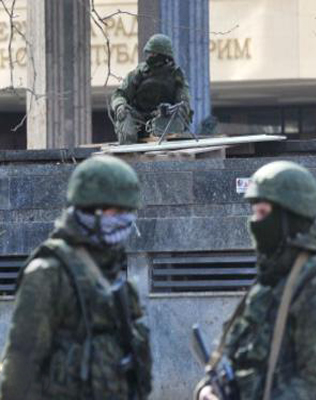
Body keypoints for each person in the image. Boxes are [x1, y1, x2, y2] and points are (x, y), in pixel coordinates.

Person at [194, 161, 316, 400]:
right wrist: (208, 390)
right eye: (254, 213)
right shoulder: (270, 282)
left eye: (263, 214)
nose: (254, 222)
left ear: (289, 218)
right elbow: (243, 364)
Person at [0, 155, 152, 400]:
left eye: (127, 212)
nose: (123, 220)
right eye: (115, 212)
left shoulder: (113, 274)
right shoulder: (48, 274)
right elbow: (20, 369)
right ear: (89, 210)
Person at [111, 33, 193, 144]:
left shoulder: (176, 75)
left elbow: (184, 103)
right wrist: (120, 106)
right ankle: (128, 147)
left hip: (165, 119)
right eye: (149, 53)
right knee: (125, 115)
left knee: (173, 122)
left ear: (164, 56)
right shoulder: (139, 72)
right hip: (139, 120)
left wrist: (170, 110)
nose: (150, 56)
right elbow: (120, 94)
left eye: (154, 54)